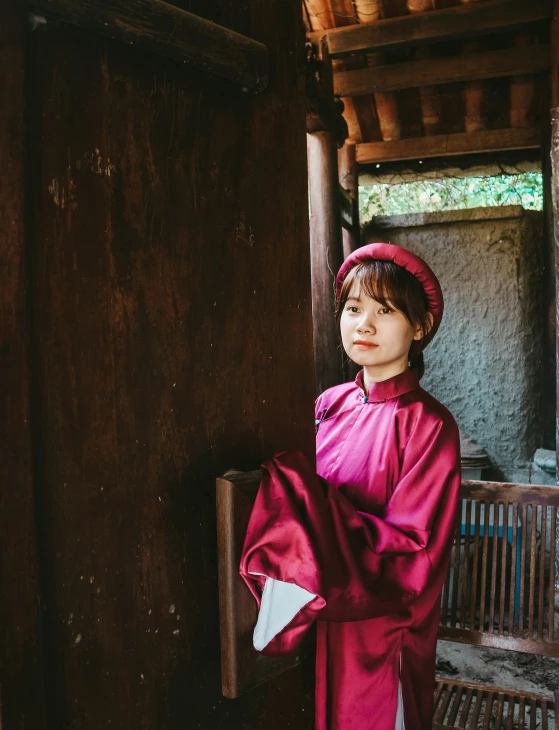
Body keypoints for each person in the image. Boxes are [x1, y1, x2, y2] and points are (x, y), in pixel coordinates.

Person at [240, 243, 461, 730]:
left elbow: (412, 553)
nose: (363, 324)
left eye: (385, 311)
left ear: (419, 328)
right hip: (318, 614)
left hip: (378, 631)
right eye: (354, 308)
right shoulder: (328, 404)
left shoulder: (430, 427)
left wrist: (314, 510)